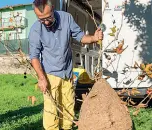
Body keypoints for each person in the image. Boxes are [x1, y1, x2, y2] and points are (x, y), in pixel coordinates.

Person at [29, 0, 103, 130]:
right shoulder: (35, 29)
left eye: (48, 18)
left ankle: (67, 128)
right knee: (51, 108)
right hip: (50, 74)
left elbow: (80, 36)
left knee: (68, 104)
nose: (46, 22)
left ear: (52, 9)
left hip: (67, 71)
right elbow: (34, 57)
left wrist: (93, 38)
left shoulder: (66, 18)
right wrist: (41, 78)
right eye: (41, 19)